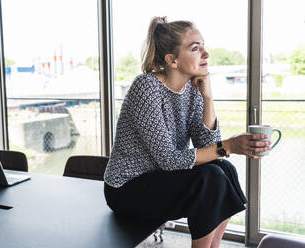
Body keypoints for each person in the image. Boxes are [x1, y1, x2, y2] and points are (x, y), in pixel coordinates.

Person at [103, 16, 271, 248]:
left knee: (224, 168)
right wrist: (230, 145)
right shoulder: (146, 88)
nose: (206, 53)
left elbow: (209, 146)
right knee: (210, 178)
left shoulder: (192, 90)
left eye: (203, 45)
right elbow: (170, 160)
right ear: (172, 60)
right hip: (126, 188)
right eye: (195, 48)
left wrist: (208, 97)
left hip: (160, 177)